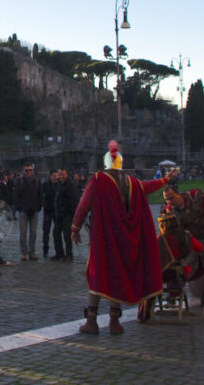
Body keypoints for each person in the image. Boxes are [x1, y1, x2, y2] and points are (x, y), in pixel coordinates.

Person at [71, 140, 170, 335]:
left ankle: (92, 321)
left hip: (105, 238)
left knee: (97, 274)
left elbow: (83, 205)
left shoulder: (99, 180)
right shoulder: (132, 182)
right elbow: (149, 186)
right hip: (125, 238)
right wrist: (166, 180)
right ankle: (114, 320)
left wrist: (75, 227)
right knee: (118, 276)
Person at [13, 163, 42, 261]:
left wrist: (39, 206)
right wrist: (19, 207)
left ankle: (32, 251)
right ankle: (24, 252)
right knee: (23, 233)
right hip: (24, 210)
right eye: (27, 170)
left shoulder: (37, 180)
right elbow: (16, 195)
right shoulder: (19, 181)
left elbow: (40, 194)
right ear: (24, 171)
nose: (29, 172)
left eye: (30, 170)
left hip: (34, 209)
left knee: (33, 232)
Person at [53, 169, 78, 261]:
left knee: (67, 235)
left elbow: (75, 201)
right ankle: (59, 254)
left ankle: (69, 255)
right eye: (60, 174)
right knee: (56, 233)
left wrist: (71, 214)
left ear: (66, 174)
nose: (61, 176)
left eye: (63, 174)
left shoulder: (70, 185)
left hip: (66, 215)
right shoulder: (59, 184)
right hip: (59, 214)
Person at [41, 170, 58, 258]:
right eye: (54, 176)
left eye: (57, 176)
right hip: (47, 211)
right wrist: (44, 204)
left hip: (56, 211)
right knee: (46, 232)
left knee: (57, 232)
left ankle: (58, 251)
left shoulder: (59, 185)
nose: (56, 177)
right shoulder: (45, 185)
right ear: (50, 176)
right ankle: (45, 250)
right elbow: (41, 197)